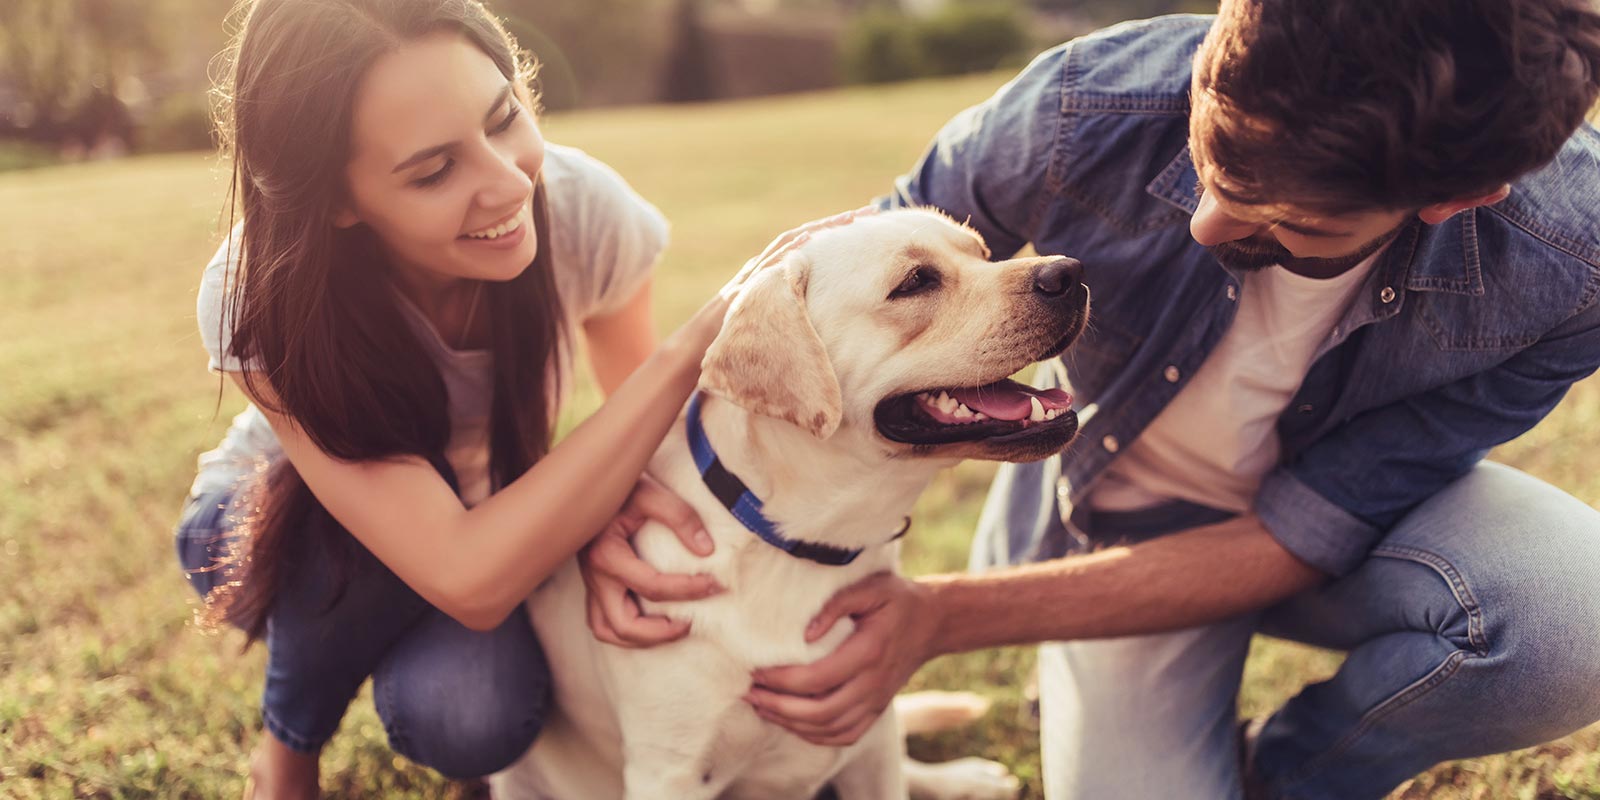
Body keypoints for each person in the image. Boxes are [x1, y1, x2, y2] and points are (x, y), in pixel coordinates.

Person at [580, 1, 1600, 797]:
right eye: (1213, 152)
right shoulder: (1086, 104)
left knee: (1575, 618)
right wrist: (632, 488)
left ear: (1457, 198)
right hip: (1104, 509)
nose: (1206, 224)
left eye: (1287, 219)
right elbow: (844, 276)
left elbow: (1315, 524)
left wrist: (937, 615)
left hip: (1348, 534)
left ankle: (1287, 776)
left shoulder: (1575, 262)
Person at [172, 0, 863, 795]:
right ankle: (287, 754)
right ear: (336, 200)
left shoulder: (581, 206)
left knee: (471, 711)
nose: (509, 184)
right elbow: (466, 574)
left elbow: (657, 449)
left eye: (504, 119)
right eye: (434, 171)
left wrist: (608, 524)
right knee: (363, 544)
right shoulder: (259, 293)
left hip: (476, 521)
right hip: (268, 534)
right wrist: (695, 341)